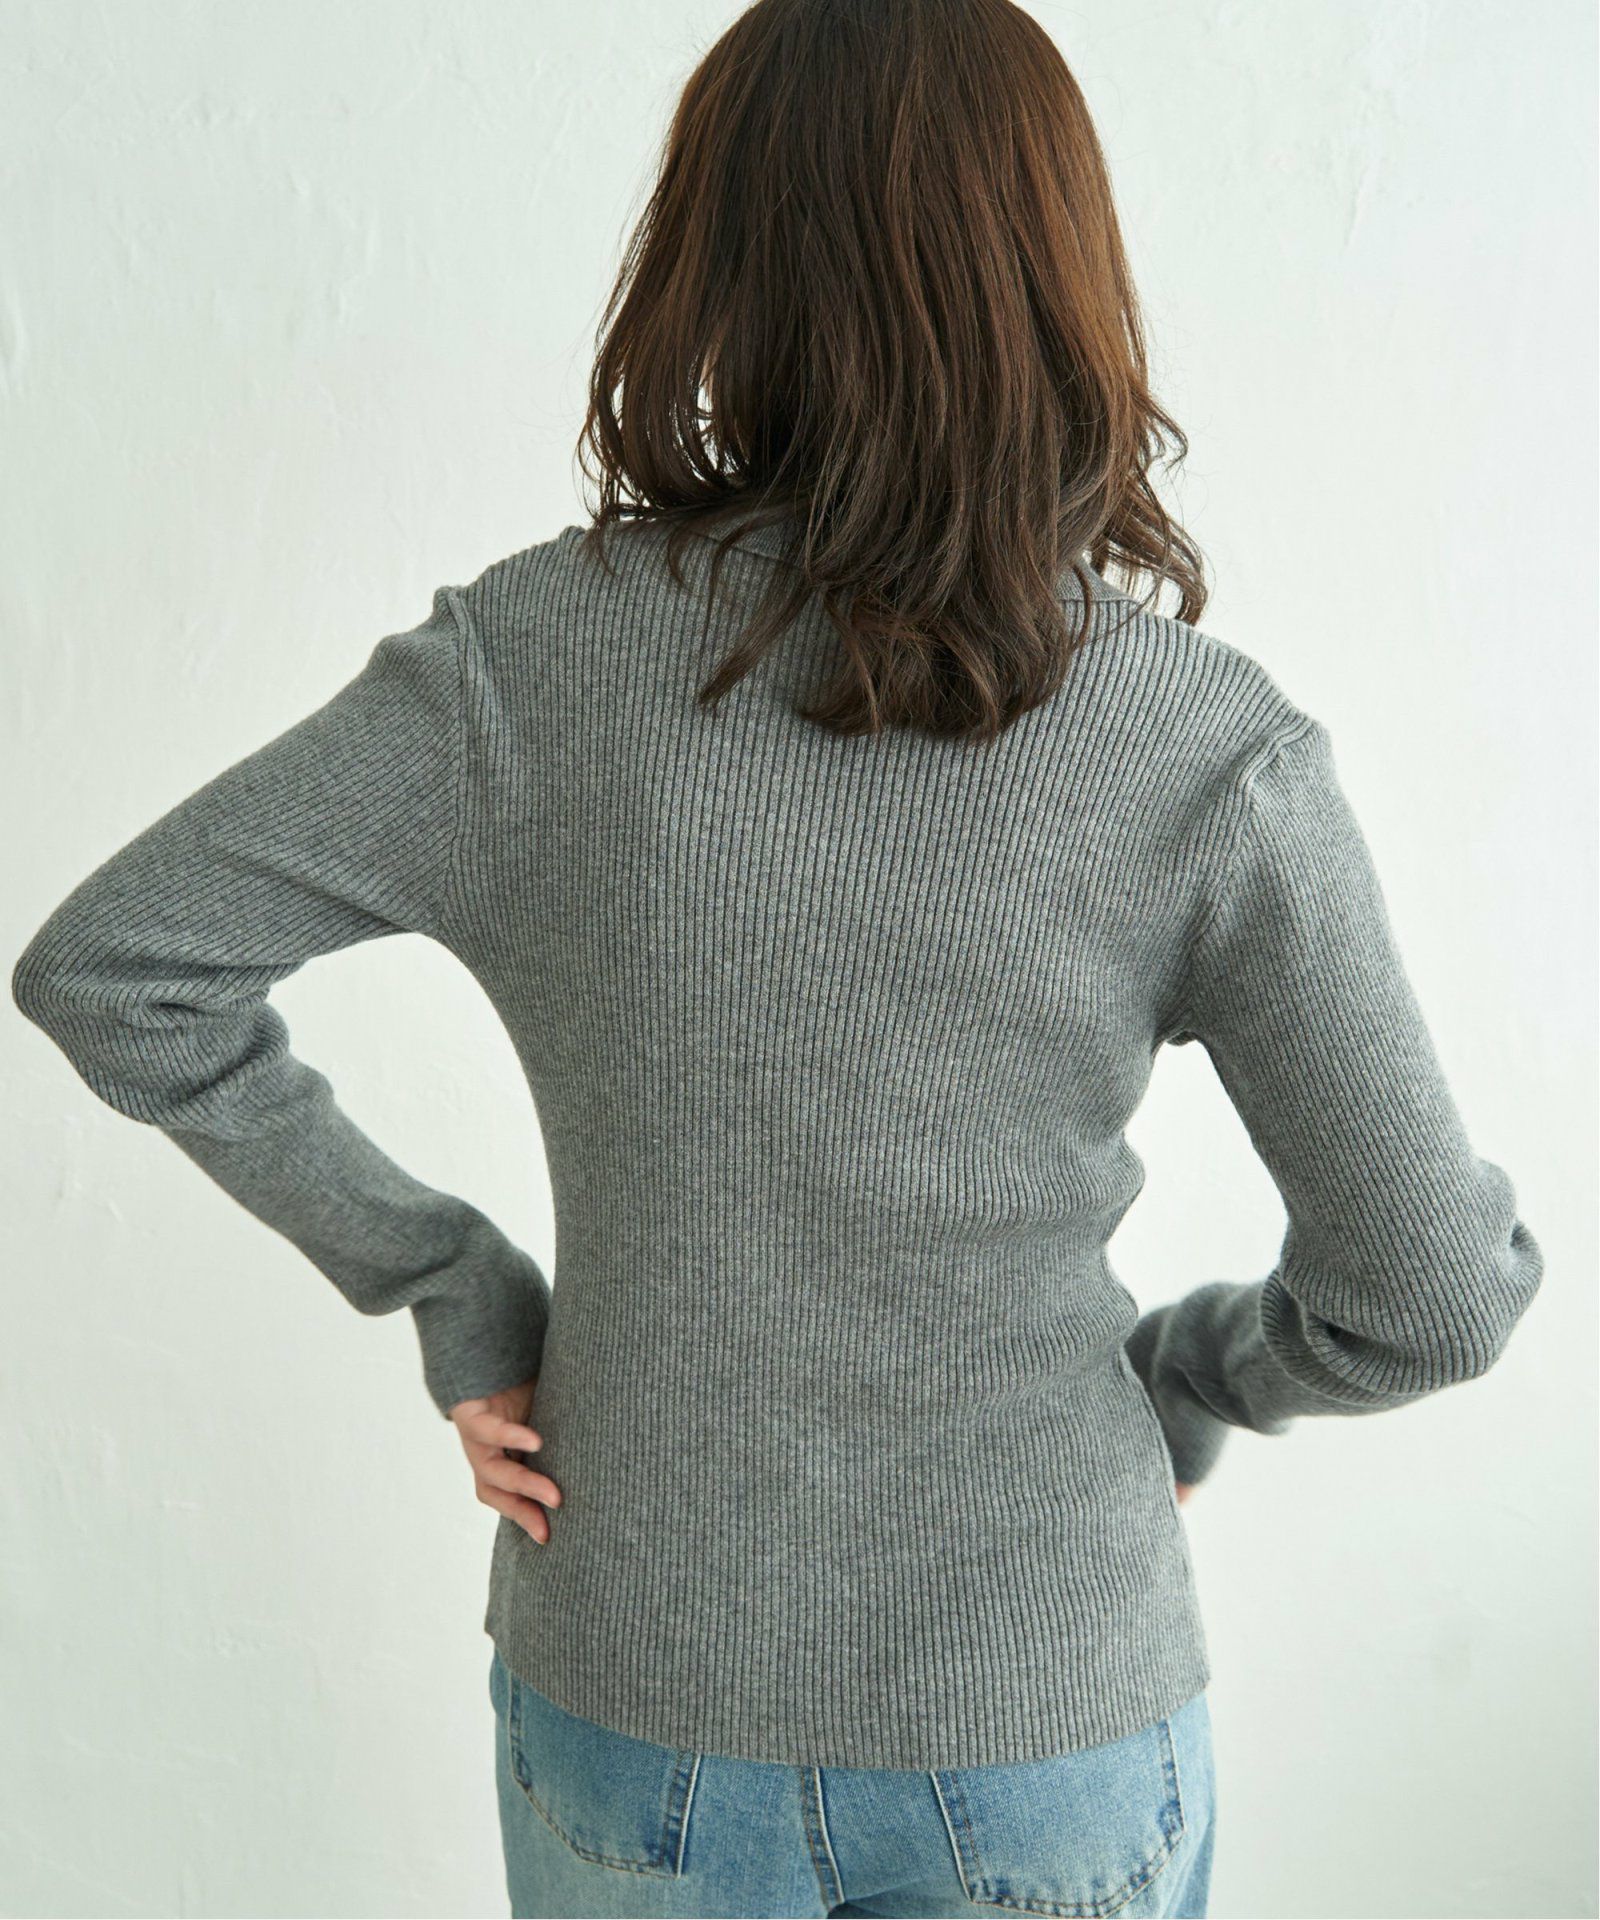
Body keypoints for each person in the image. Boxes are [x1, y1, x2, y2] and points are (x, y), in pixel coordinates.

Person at [11, 1, 1544, 1915]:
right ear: (1059, 274)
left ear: (714, 262)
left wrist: (454, 1287)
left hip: (636, 1690)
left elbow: (121, 967)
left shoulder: (531, 667)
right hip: (1052, 1713)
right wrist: (1189, 1377)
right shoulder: (1200, 744)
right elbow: (1434, 1296)